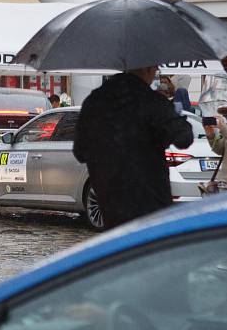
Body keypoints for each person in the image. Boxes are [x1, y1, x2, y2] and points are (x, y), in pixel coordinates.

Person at [73, 66, 194, 229]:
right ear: (147, 69)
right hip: (150, 204)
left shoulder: (93, 102)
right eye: (155, 68)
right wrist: (170, 111)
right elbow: (184, 138)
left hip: (110, 204)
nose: (156, 71)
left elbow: (80, 151)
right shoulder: (152, 101)